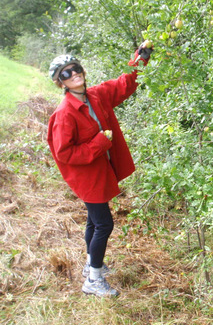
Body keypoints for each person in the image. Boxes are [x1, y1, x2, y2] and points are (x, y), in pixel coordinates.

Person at [47, 41, 153, 297]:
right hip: (87, 177)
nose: (74, 74)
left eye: (76, 68)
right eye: (66, 73)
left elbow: (124, 84)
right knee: (104, 225)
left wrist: (140, 60)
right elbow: (64, 153)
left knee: (94, 222)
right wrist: (98, 144)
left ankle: (90, 265)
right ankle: (93, 280)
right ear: (60, 83)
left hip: (100, 171)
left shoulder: (95, 95)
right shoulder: (64, 113)